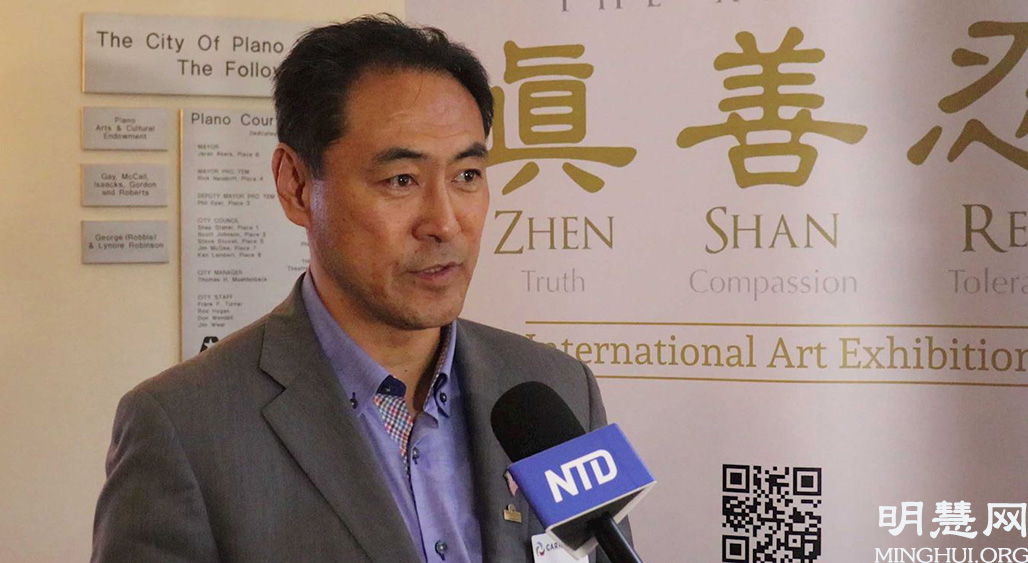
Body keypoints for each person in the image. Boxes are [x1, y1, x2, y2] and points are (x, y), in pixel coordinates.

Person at [92, 14, 627, 563]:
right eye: (401, 180)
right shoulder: (184, 427)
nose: (445, 223)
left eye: (467, 175)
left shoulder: (559, 389)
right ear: (296, 185)